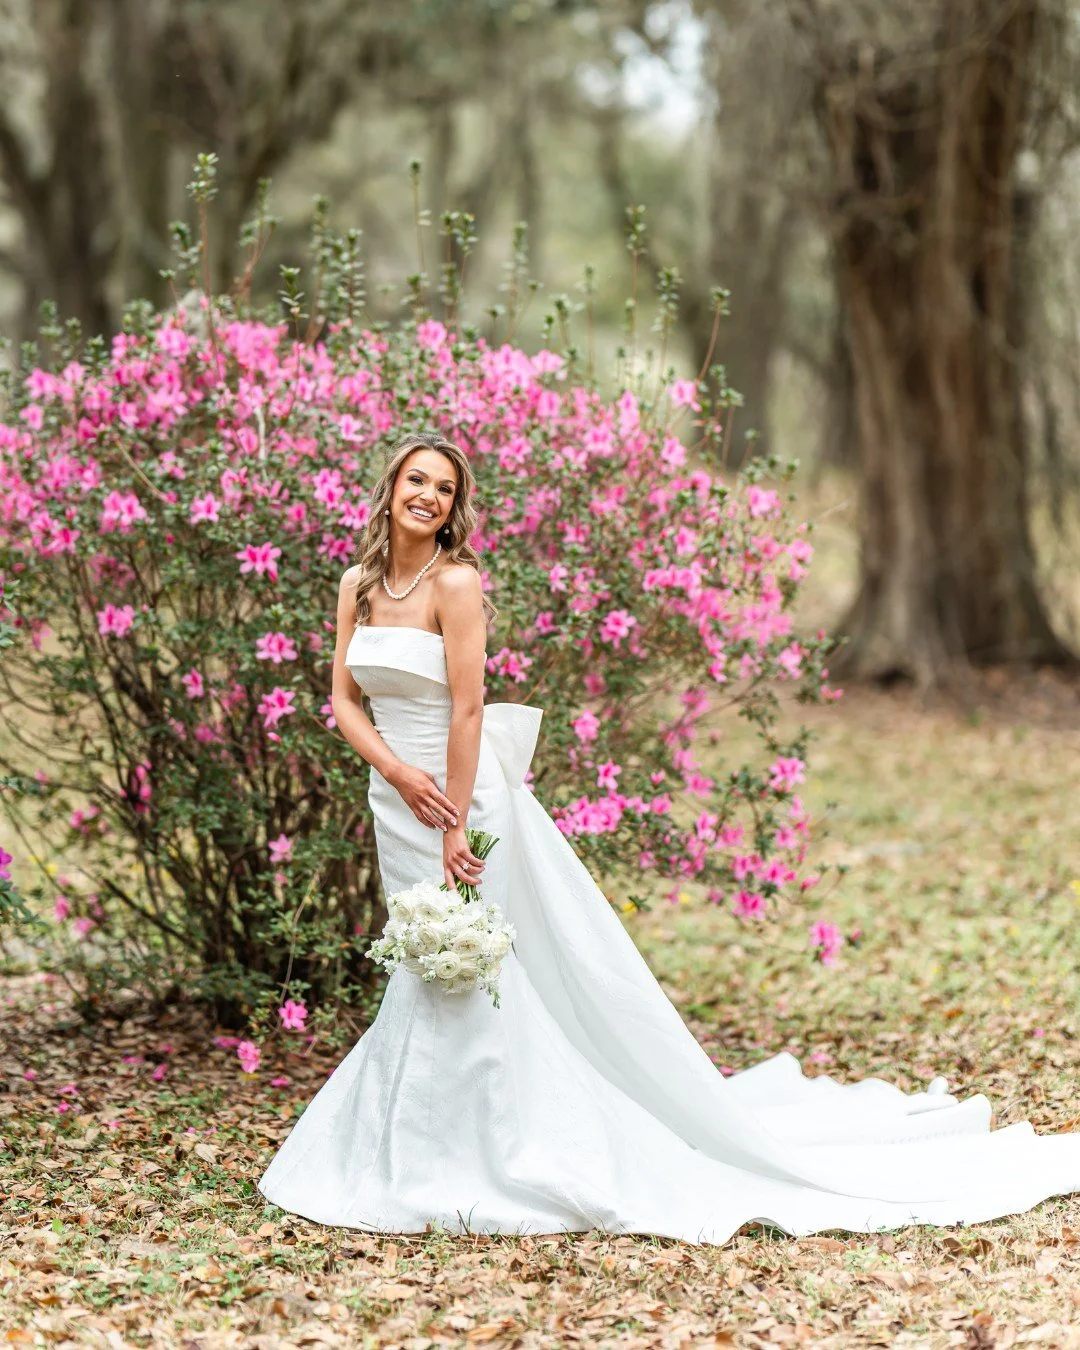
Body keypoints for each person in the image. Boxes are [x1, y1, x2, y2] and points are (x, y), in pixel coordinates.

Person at [258, 431, 1080, 1240]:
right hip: (394, 794)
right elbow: (343, 701)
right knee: (421, 958)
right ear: (392, 488)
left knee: (470, 972)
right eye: (416, 481)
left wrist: (451, 819)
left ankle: (476, 1155)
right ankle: (412, 1151)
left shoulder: (457, 584)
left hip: (462, 799)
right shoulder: (358, 585)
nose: (427, 496)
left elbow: (470, 708)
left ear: (452, 510)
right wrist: (397, 776)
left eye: (442, 488)